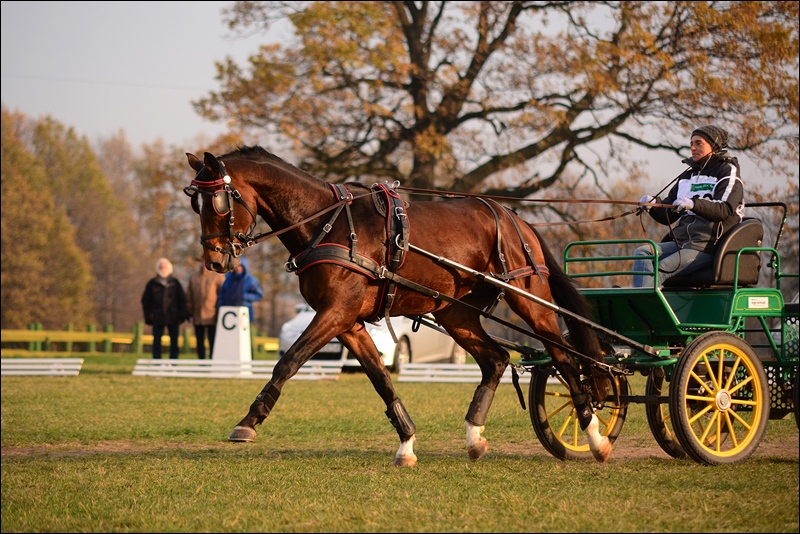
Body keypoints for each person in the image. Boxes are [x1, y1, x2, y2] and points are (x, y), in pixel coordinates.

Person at [633, 125, 745, 287]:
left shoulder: (727, 172)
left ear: (714, 146)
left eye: (699, 143)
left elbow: (724, 210)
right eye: (691, 143)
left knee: (659, 270)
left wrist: (694, 204)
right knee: (642, 253)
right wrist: (654, 205)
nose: (692, 148)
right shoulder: (687, 176)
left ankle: (642, 307)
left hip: (707, 245)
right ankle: (638, 299)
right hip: (681, 242)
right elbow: (669, 216)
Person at [141, 257, 188, 359]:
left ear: (169, 268)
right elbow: (145, 301)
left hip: (173, 317)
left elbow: (182, 300)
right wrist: (148, 316)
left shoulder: (175, 283)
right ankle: (157, 363)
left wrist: (181, 315)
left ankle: (173, 363)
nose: (163, 269)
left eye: (165, 267)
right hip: (157, 317)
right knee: (156, 342)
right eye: (161, 267)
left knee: (174, 342)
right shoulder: (152, 283)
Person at [186, 255, 226, 359]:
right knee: (199, 341)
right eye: (202, 261)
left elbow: (222, 296)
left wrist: (219, 313)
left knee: (213, 341)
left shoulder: (218, 276)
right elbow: (189, 297)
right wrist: (189, 313)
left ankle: (213, 362)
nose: (203, 263)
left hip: (212, 316)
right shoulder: (193, 277)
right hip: (197, 315)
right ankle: (201, 363)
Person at [217, 256, 264, 328]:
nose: (238, 268)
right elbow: (222, 294)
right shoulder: (228, 279)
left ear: (244, 267)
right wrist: (220, 306)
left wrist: (244, 296)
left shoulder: (250, 280)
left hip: (244, 312)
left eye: (240, 266)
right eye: (236, 266)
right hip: (227, 313)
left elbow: (258, 295)